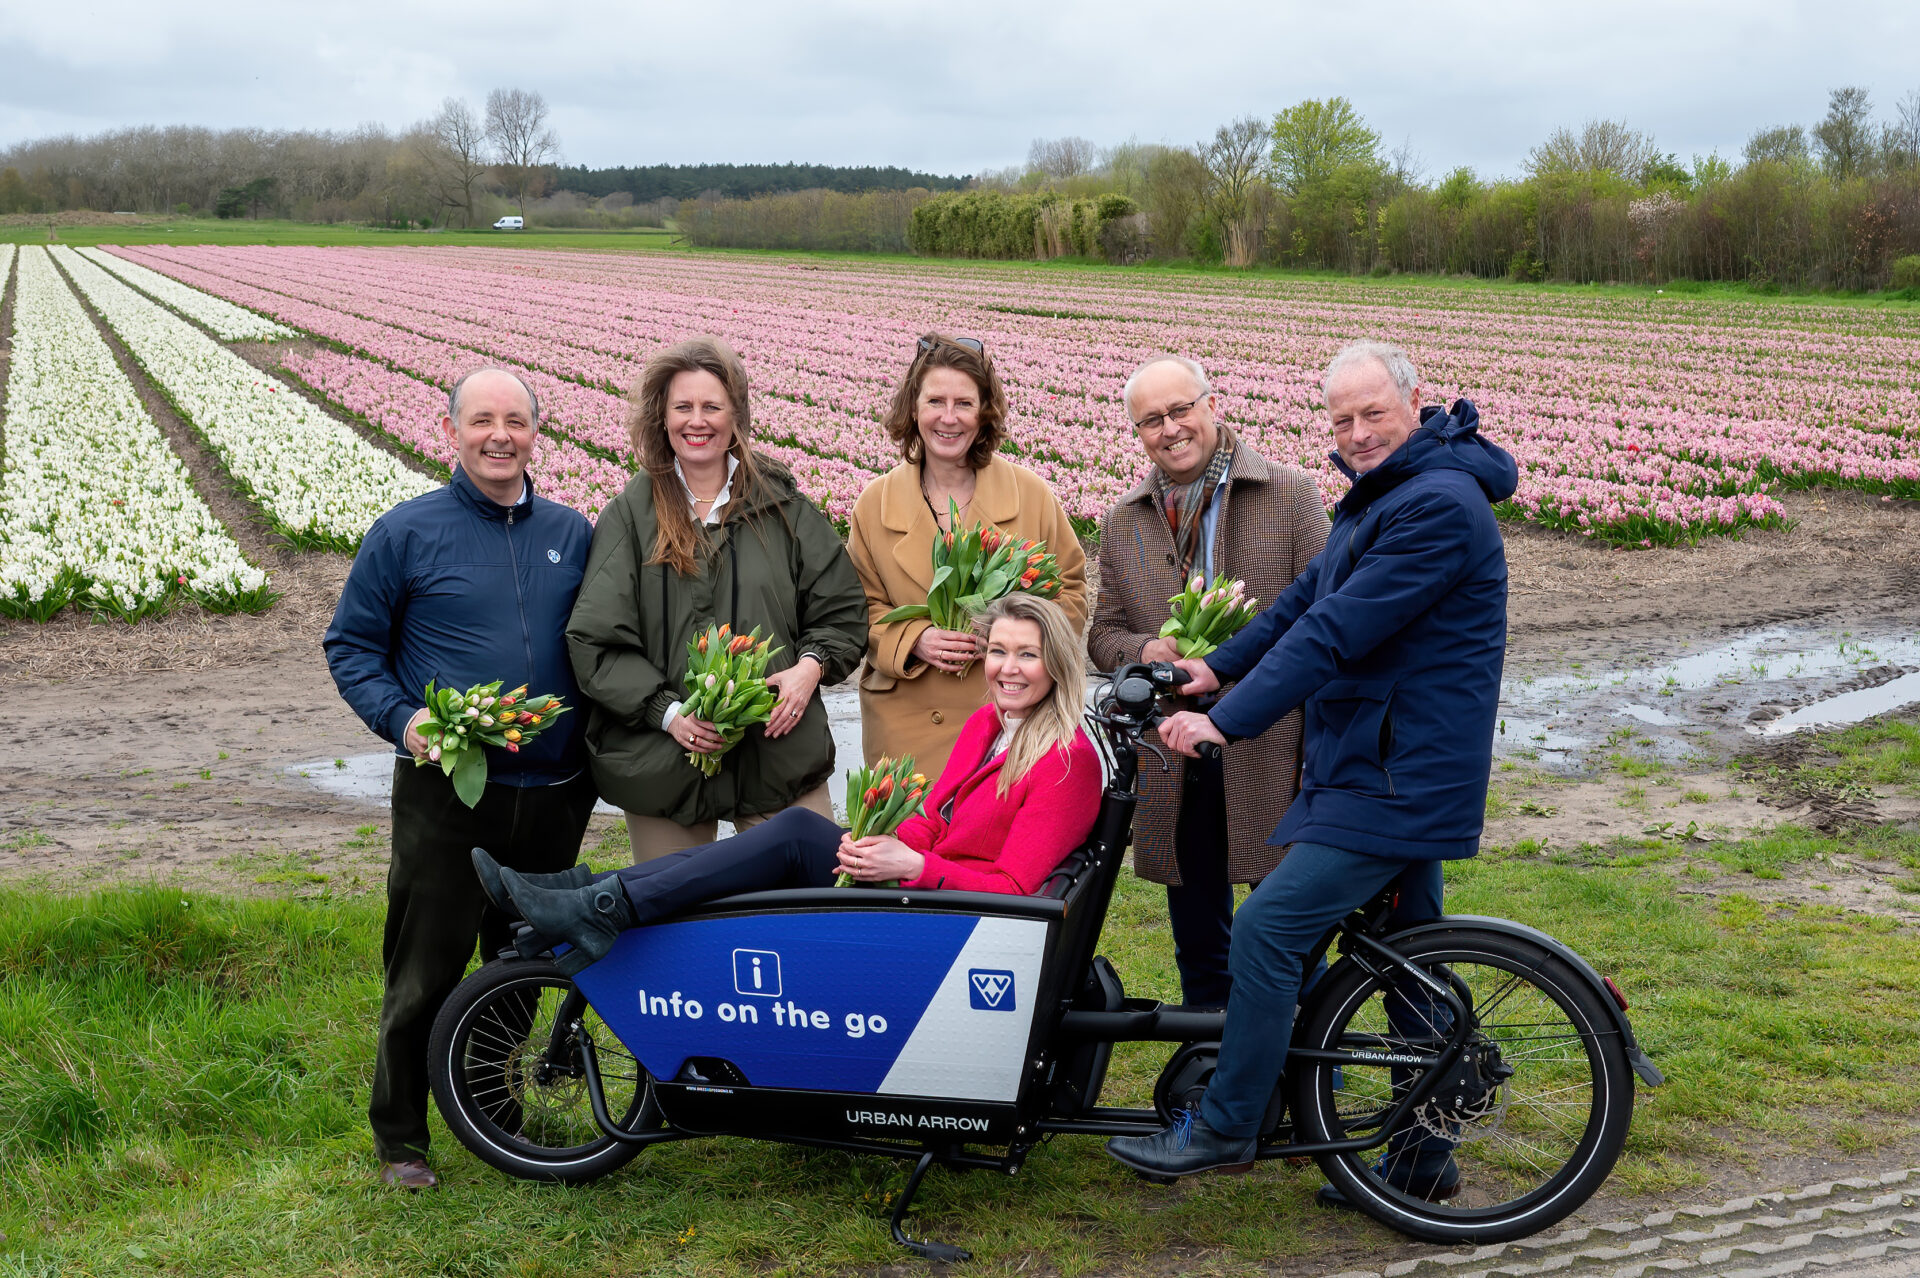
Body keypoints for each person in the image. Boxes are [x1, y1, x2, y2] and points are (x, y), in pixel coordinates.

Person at [1105, 340, 1519, 1207]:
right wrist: (1213, 668)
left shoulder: (1436, 505)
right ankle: (1420, 1153)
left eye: (1374, 414)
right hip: (1374, 764)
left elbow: (1336, 636)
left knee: (1266, 933)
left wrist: (1221, 722)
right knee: (1404, 959)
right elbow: (1303, 605)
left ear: (1417, 405)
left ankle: (1226, 1126)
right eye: (1342, 420)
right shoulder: (1387, 496)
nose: (1358, 434)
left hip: (1395, 781)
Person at [484, 595, 1102, 969]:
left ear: (1059, 664)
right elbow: (935, 817)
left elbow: (1022, 894)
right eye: (997, 651)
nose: (1008, 669)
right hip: (920, 887)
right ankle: (587, 895)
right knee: (796, 841)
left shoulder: (1064, 760)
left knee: (796, 835)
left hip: (955, 919)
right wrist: (880, 846)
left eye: (1027, 654)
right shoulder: (990, 723)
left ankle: (597, 902)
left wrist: (913, 868)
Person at [324, 367, 599, 1191]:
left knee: (522, 963)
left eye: (516, 420)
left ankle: (492, 1110)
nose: (500, 435)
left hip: (553, 790)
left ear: (537, 433)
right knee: (425, 963)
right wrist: (404, 722)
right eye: (483, 420)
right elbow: (352, 648)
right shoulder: (407, 532)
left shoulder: (571, 531)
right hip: (448, 790)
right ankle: (403, 1138)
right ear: (451, 431)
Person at [567, 337, 869, 863]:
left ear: (737, 416)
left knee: (804, 905)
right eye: (682, 407)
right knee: (678, 922)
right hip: (666, 758)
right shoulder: (631, 516)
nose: (696, 421)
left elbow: (840, 611)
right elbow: (596, 640)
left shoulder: (784, 507)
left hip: (778, 749)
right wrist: (668, 713)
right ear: (662, 418)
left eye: (712, 406)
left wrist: (809, 668)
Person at [1087, 355, 1328, 1010]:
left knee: (1288, 929)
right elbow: (1101, 637)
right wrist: (1148, 648)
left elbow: (1328, 615)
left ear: (1211, 405)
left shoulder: (1287, 493)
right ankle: (1208, 1063)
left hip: (1273, 747)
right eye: (1151, 420)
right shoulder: (1126, 519)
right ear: (1138, 433)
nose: (1170, 429)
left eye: (1180, 410)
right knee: (1198, 933)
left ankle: (1305, 1077)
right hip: (1176, 754)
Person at [847, 334, 1088, 781]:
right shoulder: (875, 504)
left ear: (984, 414)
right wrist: (914, 639)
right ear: (913, 409)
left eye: (964, 403)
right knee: (909, 845)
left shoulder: (1029, 495)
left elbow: (1070, 587)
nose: (948, 418)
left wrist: (1016, 642)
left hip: (1010, 716)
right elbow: (857, 608)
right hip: (908, 720)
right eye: (935, 401)